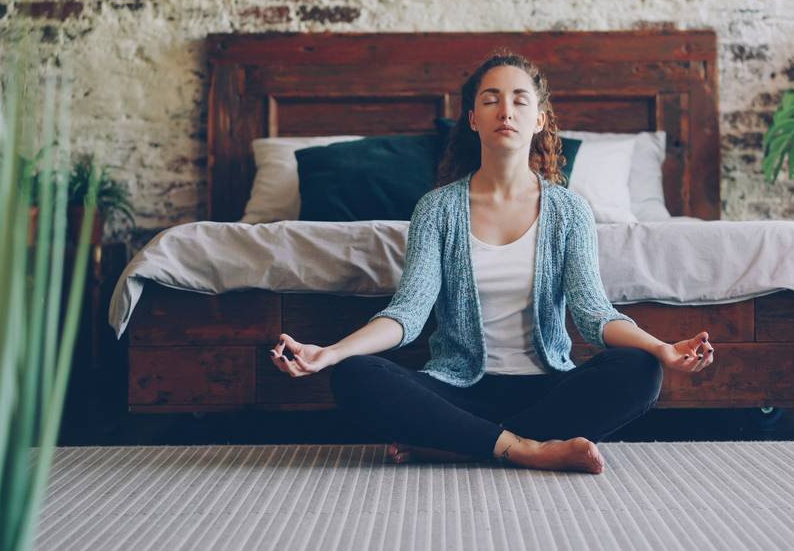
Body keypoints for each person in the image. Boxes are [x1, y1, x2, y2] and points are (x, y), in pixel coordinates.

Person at [269, 51, 715, 474]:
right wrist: (331, 352)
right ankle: (523, 448)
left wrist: (660, 348)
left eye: (520, 100)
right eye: (491, 99)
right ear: (473, 119)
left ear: (539, 119)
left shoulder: (569, 211)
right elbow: (407, 313)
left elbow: (594, 314)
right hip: (456, 391)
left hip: (546, 390)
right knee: (354, 376)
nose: (506, 110)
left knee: (639, 369)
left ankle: (458, 445)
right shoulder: (437, 209)